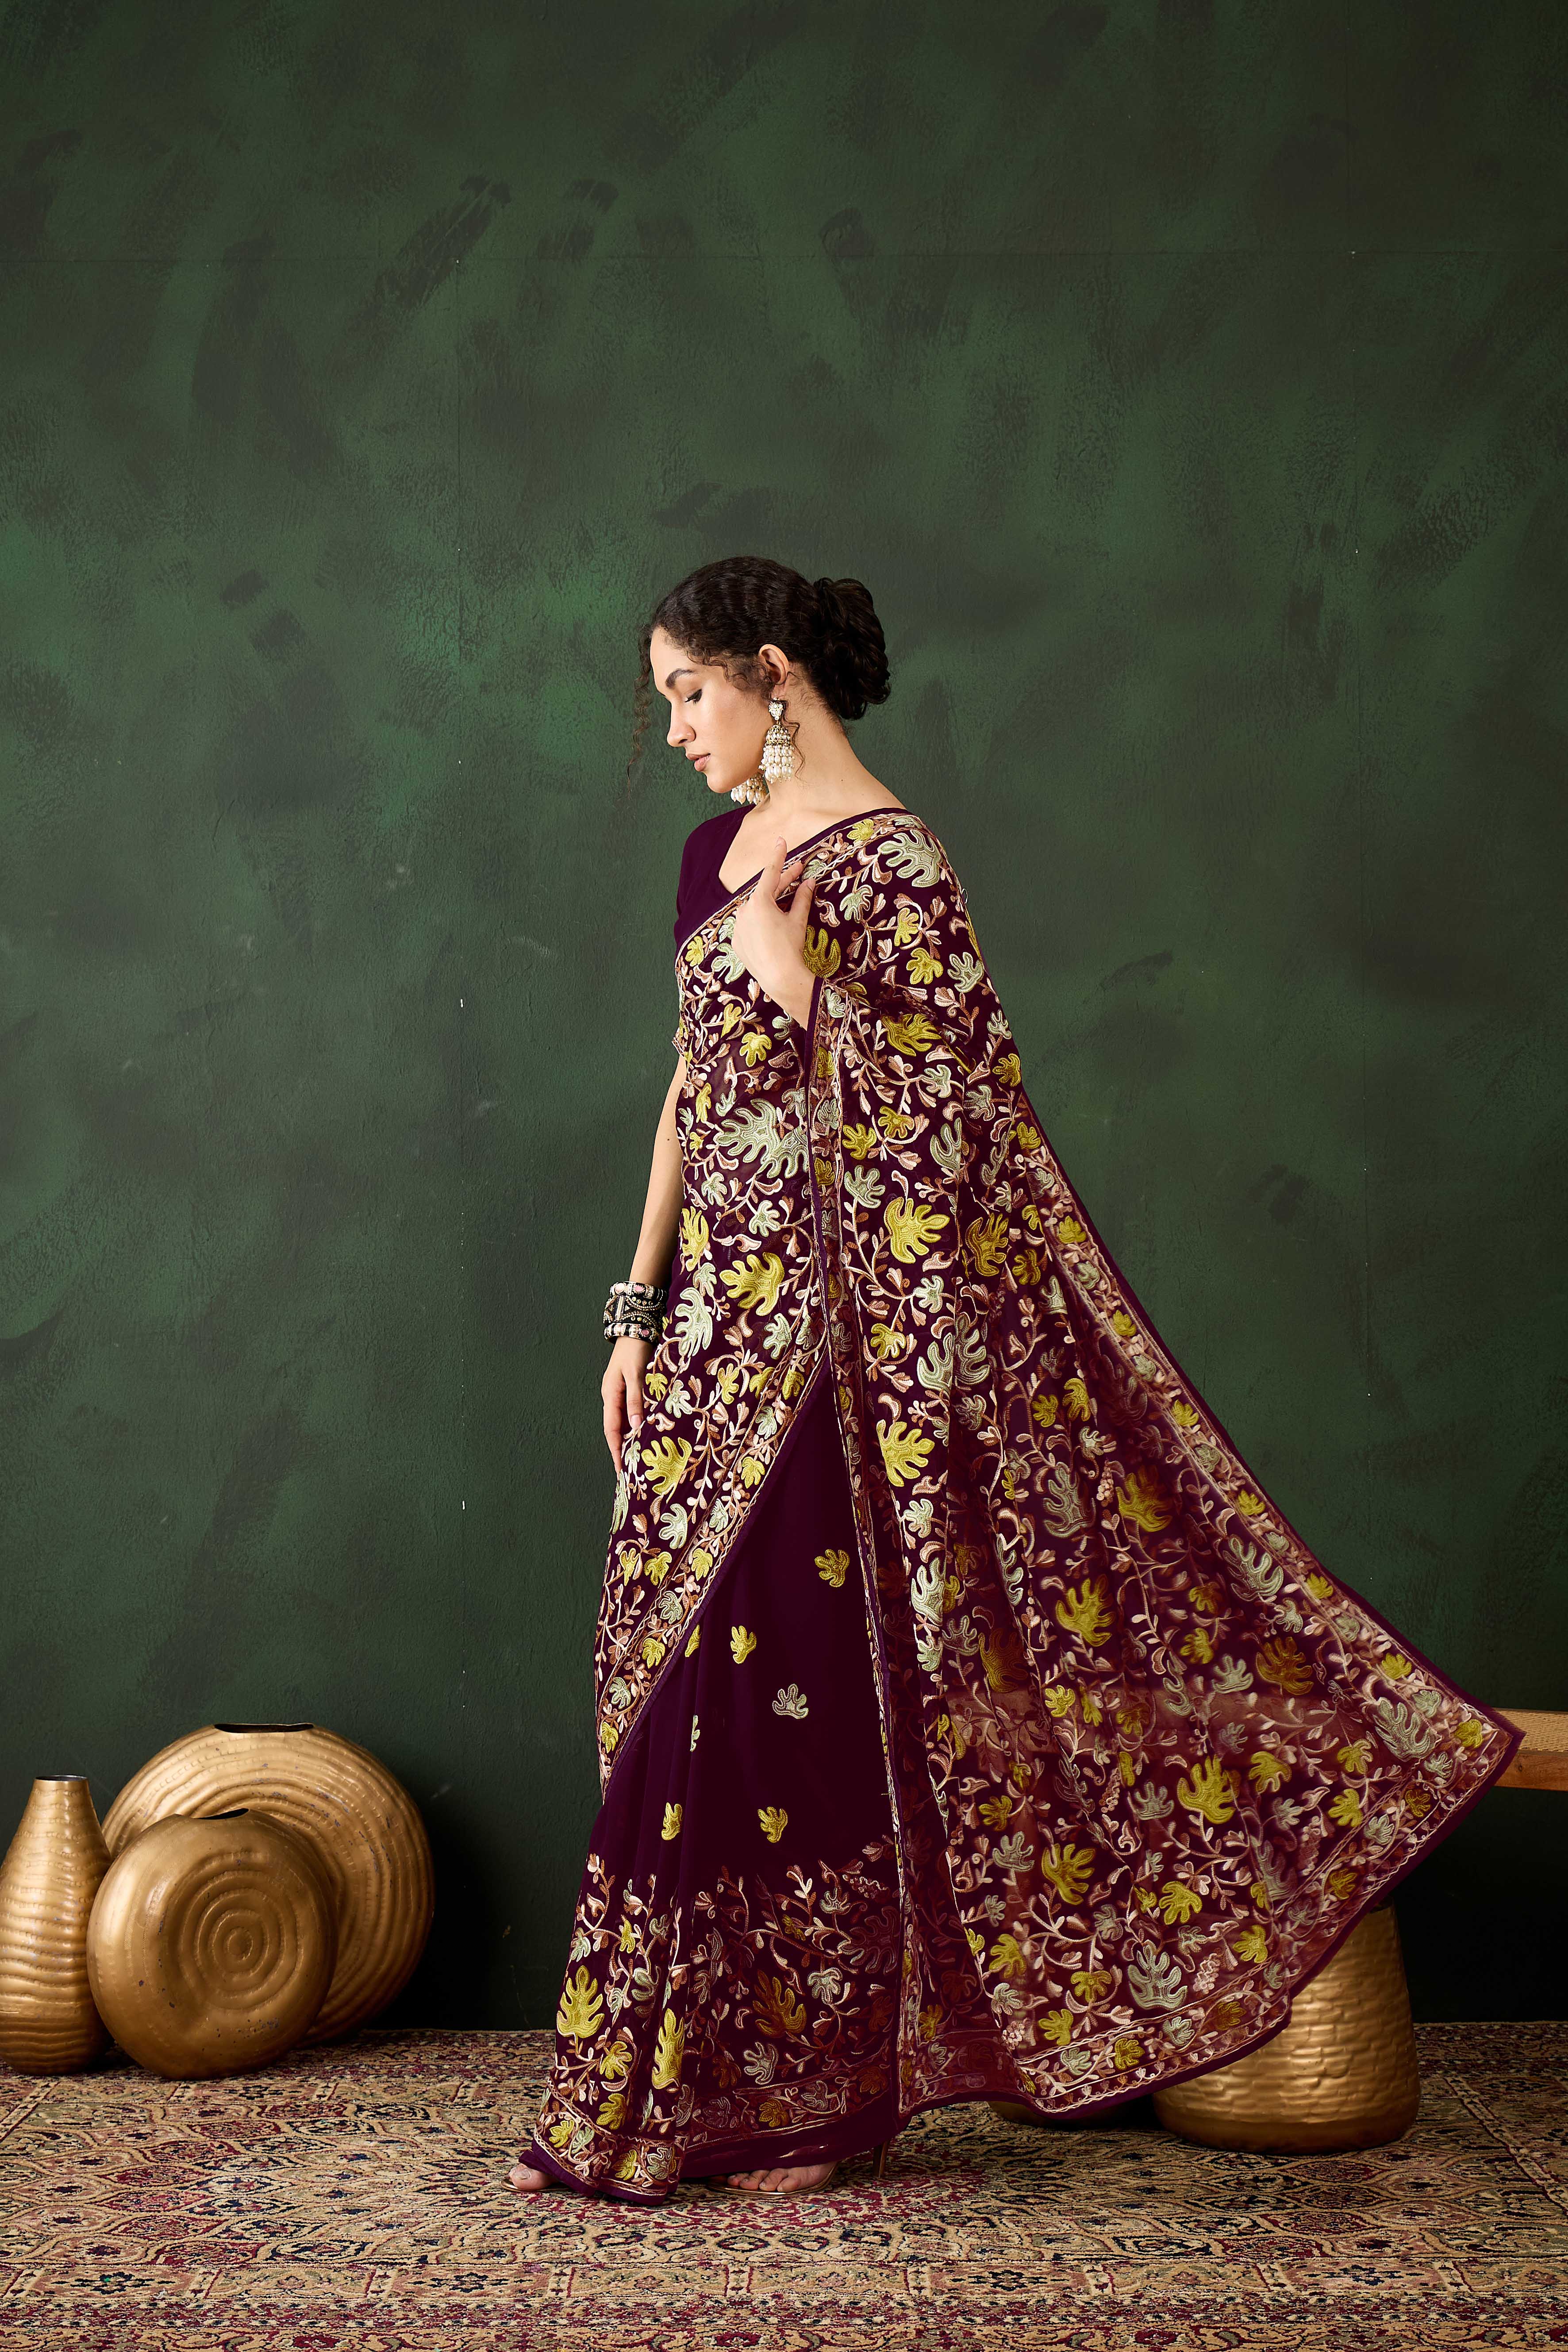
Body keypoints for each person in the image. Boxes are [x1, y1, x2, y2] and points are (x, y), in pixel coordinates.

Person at [509, 555, 1520, 2205]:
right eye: (669, 700)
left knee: (789, 1698)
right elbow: (690, 1090)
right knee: (672, 1686)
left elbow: (961, 1122)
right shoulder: (711, 858)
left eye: (690, 691)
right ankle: (675, 2079)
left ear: (772, 676)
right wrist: (635, 1307)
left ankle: (813, 2097)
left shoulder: (896, 865)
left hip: (838, 1362)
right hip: (706, 1344)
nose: (676, 727)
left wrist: (803, 988)